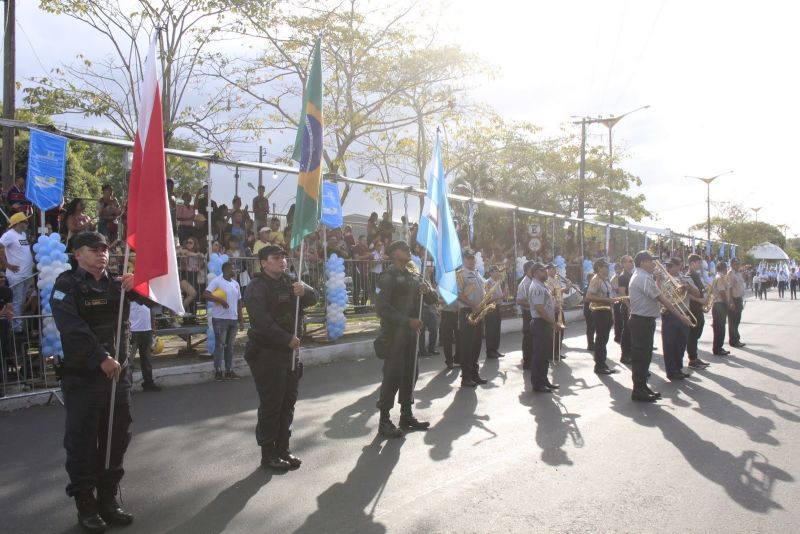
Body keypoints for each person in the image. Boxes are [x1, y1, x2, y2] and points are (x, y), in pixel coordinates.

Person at [50, 231, 151, 533]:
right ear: (77, 254)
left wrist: (143, 285)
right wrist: (101, 357)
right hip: (84, 377)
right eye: (93, 249)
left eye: (105, 249)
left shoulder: (120, 283)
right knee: (82, 442)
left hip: (117, 377)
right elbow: (72, 328)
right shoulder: (66, 285)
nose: (101, 253)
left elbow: (162, 304)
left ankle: (108, 499)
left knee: (116, 438)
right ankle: (86, 503)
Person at [243, 245, 318, 469]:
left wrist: (304, 291)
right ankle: (268, 454)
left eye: (284, 257)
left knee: (288, 402)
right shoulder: (256, 287)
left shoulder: (290, 282)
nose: (282, 261)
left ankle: (283, 448)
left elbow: (314, 298)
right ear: (264, 263)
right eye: (276, 258)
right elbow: (261, 321)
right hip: (268, 353)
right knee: (272, 404)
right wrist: (285, 338)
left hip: (290, 353)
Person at [374, 240, 435, 438]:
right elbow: (382, 308)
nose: (409, 251)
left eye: (409, 248)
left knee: (411, 374)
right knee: (392, 376)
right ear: (394, 253)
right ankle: (384, 421)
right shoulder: (387, 277)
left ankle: (406, 415)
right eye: (404, 249)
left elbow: (433, 299)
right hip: (394, 334)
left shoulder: (414, 276)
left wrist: (428, 291)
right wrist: (407, 321)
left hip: (411, 334)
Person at [627, 251, 693, 402]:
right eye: (651, 261)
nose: (654, 264)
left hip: (644, 321)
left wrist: (657, 280)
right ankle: (638, 390)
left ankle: (642, 387)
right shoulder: (642, 277)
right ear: (643, 262)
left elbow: (655, 294)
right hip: (641, 321)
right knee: (641, 357)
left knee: (645, 356)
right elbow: (662, 299)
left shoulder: (643, 277)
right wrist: (681, 317)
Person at [660, 258, 701, 380]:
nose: (668, 268)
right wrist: (658, 280)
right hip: (668, 314)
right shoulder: (663, 279)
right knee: (669, 344)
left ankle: (678, 368)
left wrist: (687, 287)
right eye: (667, 265)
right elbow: (659, 295)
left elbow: (697, 294)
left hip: (683, 313)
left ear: (679, 266)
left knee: (681, 343)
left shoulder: (686, 279)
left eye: (671, 265)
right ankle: (671, 371)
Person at [203, 262, 244, 381]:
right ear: (226, 270)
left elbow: (239, 303)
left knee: (230, 347)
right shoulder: (217, 281)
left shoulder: (236, 284)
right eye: (232, 268)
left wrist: (241, 320)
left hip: (233, 319)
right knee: (220, 345)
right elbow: (205, 294)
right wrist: (221, 301)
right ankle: (218, 371)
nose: (235, 270)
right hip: (220, 319)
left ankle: (229, 370)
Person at [527, 262, 562, 392]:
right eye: (543, 270)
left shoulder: (543, 285)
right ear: (536, 273)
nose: (546, 272)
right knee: (539, 355)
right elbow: (540, 309)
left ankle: (544, 379)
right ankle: (537, 383)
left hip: (545, 323)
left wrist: (555, 306)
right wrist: (553, 323)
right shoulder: (536, 287)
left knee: (545, 354)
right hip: (540, 323)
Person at [457, 249, 487, 388]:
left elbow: (483, 291)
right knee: (467, 346)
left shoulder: (477, 273)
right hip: (468, 312)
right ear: (463, 259)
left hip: (478, 311)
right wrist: (473, 305)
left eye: (473, 258)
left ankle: (475, 374)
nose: (471, 260)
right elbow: (459, 294)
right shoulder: (461, 274)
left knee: (476, 345)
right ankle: (466, 377)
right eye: (468, 258)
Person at [0, 212, 34, 335]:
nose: (27, 223)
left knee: (21, 301)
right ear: (18, 223)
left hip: (27, 274)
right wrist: (7, 265)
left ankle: (18, 325)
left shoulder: (23, 234)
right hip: (16, 275)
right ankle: (17, 328)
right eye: (25, 222)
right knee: (17, 301)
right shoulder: (9, 235)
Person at [585, 259, 619, 375]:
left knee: (604, 339)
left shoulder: (605, 279)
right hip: (599, 311)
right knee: (600, 339)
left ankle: (602, 363)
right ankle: (599, 365)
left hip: (607, 310)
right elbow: (588, 296)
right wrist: (606, 300)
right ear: (599, 267)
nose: (607, 268)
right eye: (605, 266)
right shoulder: (596, 280)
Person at [686, 254, 711, 369]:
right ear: (691, 263)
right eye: (698, 262)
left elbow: (701, 289)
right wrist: (700, 299)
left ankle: (695, 357)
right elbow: (687, 294)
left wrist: (707, 291)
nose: (700, 264)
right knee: (692, 335)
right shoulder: (688, 276)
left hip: (698, 307)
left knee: (696, 334)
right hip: (693, 308)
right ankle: (692, 360)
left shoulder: (697, 275)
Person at [129, 301, 161, 392]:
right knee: (129, 361)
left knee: (146, 359)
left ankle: (148, 383)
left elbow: (151, 310)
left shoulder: (146, 295)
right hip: (133, 331)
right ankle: (127, 387)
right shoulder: (129, 295)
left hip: (147, 330)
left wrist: (153, 327)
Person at [708, 261, 733, 356]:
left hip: (719, 305)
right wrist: (727, 304)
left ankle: (718, 347)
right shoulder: (720, 278)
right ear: (723, 268)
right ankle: (717, 348)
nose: (727, 269)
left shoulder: (720, 277)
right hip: (719, 305)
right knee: (720, 328)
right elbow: (722, 292)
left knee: (719, 327)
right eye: (726, 268)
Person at [516, 261, 535, 370]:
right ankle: (527, 362)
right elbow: (519, 300)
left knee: (534, 339)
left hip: (533, 313)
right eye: (533, 269)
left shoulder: (533, 281)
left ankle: (533, 360)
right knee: (528, 339)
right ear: (528, 270)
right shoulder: (524, 283)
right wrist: (534, 305)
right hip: (528, 313)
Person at [417, 263, 439, 358]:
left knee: (434, 329)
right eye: (430, 266)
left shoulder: (431, 278)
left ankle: (431, 348)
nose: (432, 268)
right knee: (421, 330)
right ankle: (422, 350)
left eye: (432, 266)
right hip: (423, 307)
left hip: (431, 307)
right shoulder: (421, 277)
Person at [484, 266, 506, 359]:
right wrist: (501, 296)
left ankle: (495, 350)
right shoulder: (488, 283)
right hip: (490, 308)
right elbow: (488, 298)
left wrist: (503, 296)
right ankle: (490, 351)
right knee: (490, 330)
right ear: (491, 273)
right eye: (496, 271)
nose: (498, 273)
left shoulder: (498, 282)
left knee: (497, 330)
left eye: (498, 271)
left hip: (497, 307)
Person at [617, 255, 634, 364]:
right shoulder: (623, 276)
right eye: (629, 262)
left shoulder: (631, 275)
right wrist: (629, 307)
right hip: (627, 307)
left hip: (633, 306)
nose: (631, 263)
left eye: (632, 261)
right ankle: (625, 355)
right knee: (627, 332)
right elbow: (622, 294)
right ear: (623, 264)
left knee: (631, 332)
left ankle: (630, 354)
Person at [727, 258, 747, 348]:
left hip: (739, 299)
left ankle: (736, 339)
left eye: (738, 263)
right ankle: (734, 341)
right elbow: (729, 288)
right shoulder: (731, 274)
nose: (737, 265)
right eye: (735, 264)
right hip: (734, 300)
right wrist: (731, 301)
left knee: (737, 320)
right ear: (731, 264)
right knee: (733, 321)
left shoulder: (738, 273)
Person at [582, 272, 596, 351]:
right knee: (590, 327)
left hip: (592, 309)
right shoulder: (587, 288)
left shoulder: (592, 287)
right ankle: (590, 344)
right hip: (588, 309)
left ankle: (592, 343)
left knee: (593, 327)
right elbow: (585, 299)